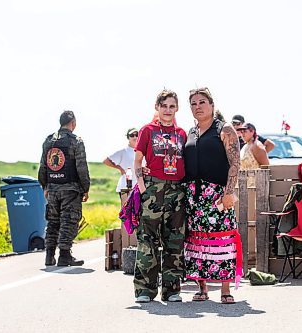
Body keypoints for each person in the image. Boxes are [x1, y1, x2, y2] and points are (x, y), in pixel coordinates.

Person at [184, 87, 242, 304]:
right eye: (193, 103)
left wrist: (228, 192)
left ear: (212, 105)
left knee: (223, 238)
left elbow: (235, 162)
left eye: (202, 102)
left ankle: (225, 289)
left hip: (218, 194)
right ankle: (202, 287)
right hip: (193, 195)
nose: (197, 107)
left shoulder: (224, 129)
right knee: (198, 239)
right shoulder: (191, 132)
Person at [133, 89, 187, 303]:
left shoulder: (182, 133)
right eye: (164, 105)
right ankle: (145, 290)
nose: (167, 110)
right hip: (153, 190)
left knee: (175, 240)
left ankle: (172, 290)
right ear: (157, 107)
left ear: (177, 108)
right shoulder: (147, 130)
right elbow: (138, 161)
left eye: (172, 106)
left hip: (177, 191)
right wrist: (142, 187)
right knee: (148, 241)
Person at [38, 110, 90, 267]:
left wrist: (45, 186)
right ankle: (64, 256)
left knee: (53, 222)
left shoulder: (48, 141)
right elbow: (81, 168)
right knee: (68, 221)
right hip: (70, 189)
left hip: (52, 188)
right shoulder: (76, 141)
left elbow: (42, 167)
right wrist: (85, 187)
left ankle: (49, 256)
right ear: (73, 123)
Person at [103, 128, 138, 201]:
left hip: (139, 186)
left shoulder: (141, 151)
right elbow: (106, 161)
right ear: (128, 137)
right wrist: (120, 168)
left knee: (138, 211)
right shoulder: (123, 151)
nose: (135, 137)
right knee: (125, 210)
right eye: (132, 135)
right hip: (125, 186)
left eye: (136, 135)